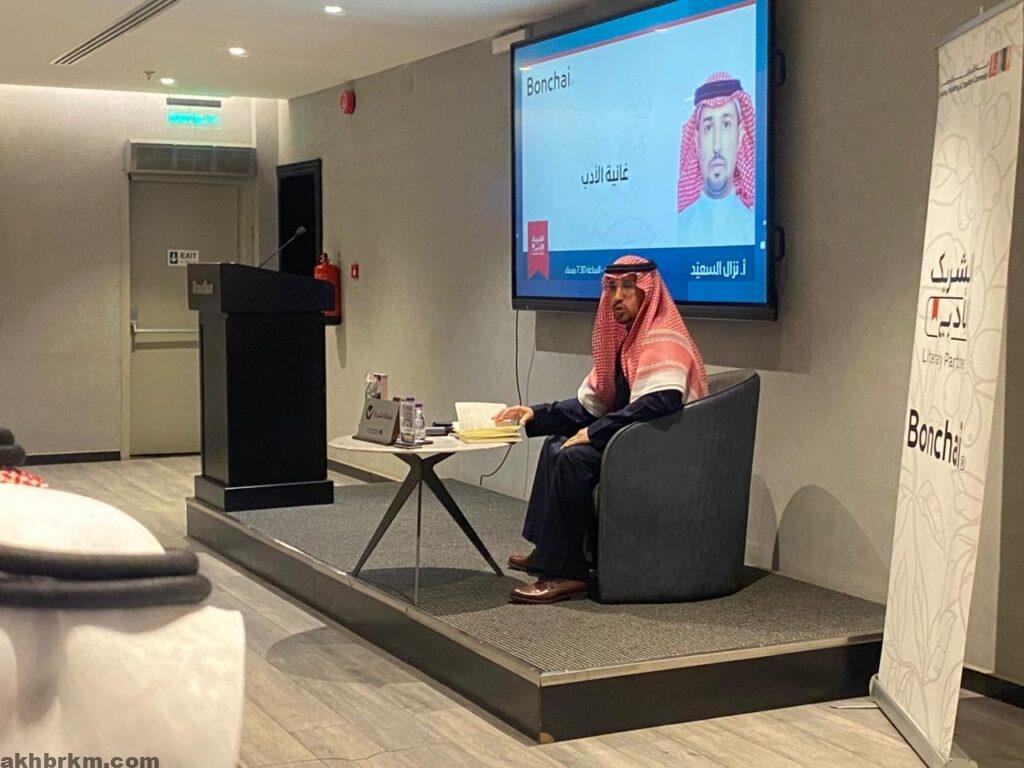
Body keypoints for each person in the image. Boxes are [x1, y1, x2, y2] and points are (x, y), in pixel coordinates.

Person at [493, 255, 708, 604]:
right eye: (611, 288)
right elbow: (592, 404)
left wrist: (594, 433)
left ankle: (566, 573)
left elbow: (658, 403)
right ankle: (548, 552)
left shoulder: (663, 339)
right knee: (556, 444)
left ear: (648, 292)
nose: (616, 297)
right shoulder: (626, 342)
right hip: (634, 442)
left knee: (574, 457)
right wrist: (536, 414)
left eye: (628, 287)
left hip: (664, 452)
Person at [676, 71, 756, 247]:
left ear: (740, 136)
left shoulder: (753, 226)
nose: (717, 146)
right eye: (708, 127)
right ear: (696, 141)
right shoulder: (679, 228)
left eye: (726, 125)